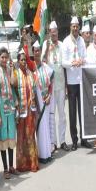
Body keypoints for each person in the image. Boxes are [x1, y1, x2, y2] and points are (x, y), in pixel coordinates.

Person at [62, 16, 92, 150]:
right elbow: (63, 62)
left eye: (77, 26)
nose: (75, 28)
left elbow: (85, 57)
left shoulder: (81, 41)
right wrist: (72, 63)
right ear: (70, 27)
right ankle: (74, 140)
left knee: (82, 112)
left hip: (81, 80)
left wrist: (82, 61)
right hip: (71, 81)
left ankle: (84, 139)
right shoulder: (66, 42)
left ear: (79, 27)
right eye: (73, 26)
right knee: (72, 112)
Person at [41, 21, 70, 152]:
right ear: (49, 33)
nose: (54, 34)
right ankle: (53, 143)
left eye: (56, 32)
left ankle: (63, 141)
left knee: (62, 114)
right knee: (52, 114)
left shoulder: (62, 45)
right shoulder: (45, 45)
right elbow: (42, 61)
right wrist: (47, 48)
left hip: (61, 83)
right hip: (50, 86)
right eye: (52, 32)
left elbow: (65, 65)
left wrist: (67, 85)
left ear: (58, 32)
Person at [13, 50, 39, 172]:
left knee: (30, 136)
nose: (23, 62)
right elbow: (12, 87)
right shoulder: (15, 73)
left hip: (31, 109)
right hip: (21, 110)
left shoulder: (30, 73)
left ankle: (32, 163)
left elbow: (34, 88)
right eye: (21, 60)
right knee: (21, 137)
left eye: (24, 59)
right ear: (18, 61)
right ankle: (22, 165)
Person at [0, 47, 17, 179]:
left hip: (11, 107)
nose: (4, 59)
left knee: (10, 137)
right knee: (3, 138)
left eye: (5, 57)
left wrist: (13, 69)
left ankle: (12, 166)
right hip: (2, 108)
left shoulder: (9, 70)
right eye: (2, 57)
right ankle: (5, 168)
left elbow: (13, 85)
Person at [33, 41, 55, 163]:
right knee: (39, 128)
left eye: (38, 50)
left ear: (40, 52)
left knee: (46, 126)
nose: (37, 53)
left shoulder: (46, 68)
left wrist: (49, 96)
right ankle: (40, 154)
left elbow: (51, 83)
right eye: (35, 50)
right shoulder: (31, 68)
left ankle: (47, 153)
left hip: (46, 101)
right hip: (37, 104)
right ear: (33, 52)